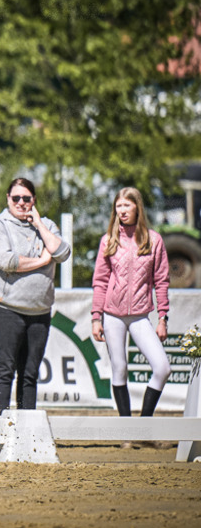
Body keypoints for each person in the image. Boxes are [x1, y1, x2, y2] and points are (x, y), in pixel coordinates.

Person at [0, 177, 71, 415]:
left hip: (39, 313)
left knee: (30, 374)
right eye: (16, 198)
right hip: (5, 310)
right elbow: (7, 261)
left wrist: (40, 224)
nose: (21, 203)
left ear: (34, 200)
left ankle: (26, 436)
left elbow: (62, 253)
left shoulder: (48, 226)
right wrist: (43, 260)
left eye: (26, 198)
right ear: (8, 199)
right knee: (4, 371)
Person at [91, 187, 171, 443]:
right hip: (112, 316)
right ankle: (128, 433)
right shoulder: (108, 240)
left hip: (140, 316)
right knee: (120, 369)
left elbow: (162, 281)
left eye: (126, 206)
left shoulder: (154, 240)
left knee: (162, 367)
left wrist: (162, 317)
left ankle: (142, 429)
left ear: (137, 207)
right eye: (118, 207)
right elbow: (100, 281)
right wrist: (96, 317)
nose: (121, 211)